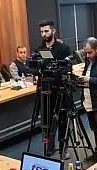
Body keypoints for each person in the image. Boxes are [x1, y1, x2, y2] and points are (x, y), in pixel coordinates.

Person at [36, 20, 73, 156]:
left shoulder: (63, 48)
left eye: (46, 31)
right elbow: (36, 69)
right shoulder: (39, 49)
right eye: (41, 32)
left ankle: (64, 148)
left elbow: (68, 68)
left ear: (53, 31)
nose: (44, 34)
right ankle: (49, 147)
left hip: (60, 90)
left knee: (63, 120)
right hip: (45, 91)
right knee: (46, 121)